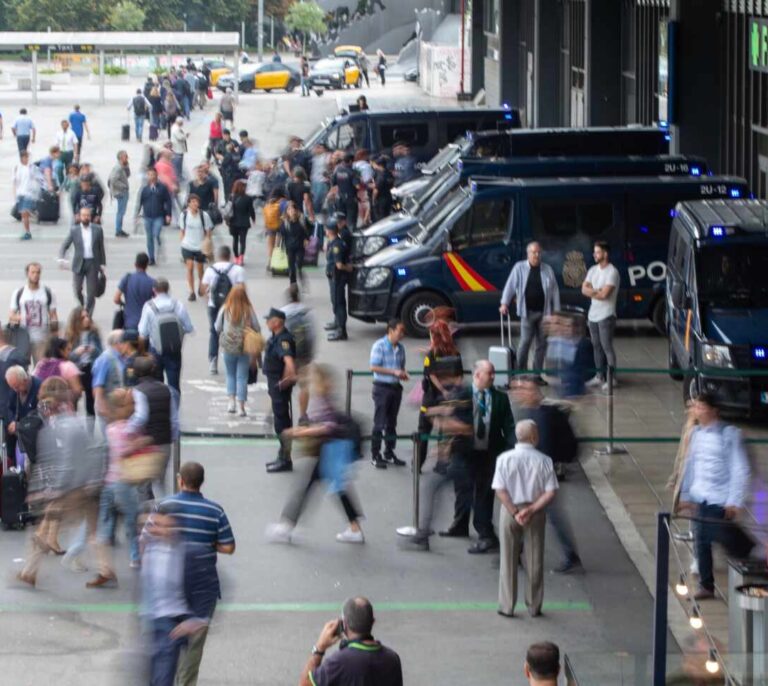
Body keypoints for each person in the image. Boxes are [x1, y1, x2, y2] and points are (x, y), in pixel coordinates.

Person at [154, 461, 236, 685]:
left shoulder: (165, 506)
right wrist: (210, 543)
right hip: (203, 588)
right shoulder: (215, 510)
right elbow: (229, 546)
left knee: (166, 640)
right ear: (201, 483)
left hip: (169, 585)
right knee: (193, 645)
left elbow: (149, 538)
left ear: (180, 480)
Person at [266, 364, 365, 544]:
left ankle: (287, 526)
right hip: (333, 448)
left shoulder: (323, 400)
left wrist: (296, 433)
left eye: (314, 379)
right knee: (332, 487)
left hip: (333, 448)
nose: (310, 382)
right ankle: (354, 528)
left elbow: (325, 427)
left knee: (314, 486)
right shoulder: (324, 398)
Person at [678, 392, 754, 601]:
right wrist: (686, 495)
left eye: (702, 407)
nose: (697, 411)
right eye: (696, 407)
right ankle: (706, 585)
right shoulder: (695, 434)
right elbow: (690, 465)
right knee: (701, 541)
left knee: (725, 536)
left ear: (714, 410)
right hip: (700, 495)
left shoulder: (730, 435)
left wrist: (734, 501)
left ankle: (751, 556)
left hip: (719, 498)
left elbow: (740, 469)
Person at [513, 379, 582, 573]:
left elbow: (545, 448)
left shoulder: (542, 416)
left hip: (539, 476)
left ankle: (569, 554)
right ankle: (518, 553)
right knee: (533, 513)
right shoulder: (530, 413)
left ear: (534, 394)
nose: (519, 394)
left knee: (537, 514)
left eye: (524, 390)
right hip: (535, 474)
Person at [494, 419, 559, 618]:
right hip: (535, 512)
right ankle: (533, 605)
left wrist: (515, 511)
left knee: (508, 558)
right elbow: (550, 492)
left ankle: (507, 605)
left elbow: (499, 489)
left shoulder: (504, 459)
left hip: (509, 511)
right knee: (535, 559)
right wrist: (530, 510)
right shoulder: (544, 460)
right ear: (533, 437)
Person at [458, 360, 517, 554]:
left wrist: (511, 450)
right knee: (466, 489)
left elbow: (509, 426)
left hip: (490, 453)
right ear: (477, 375)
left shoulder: (500, 398)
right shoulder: (463, 395)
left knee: (484, 493)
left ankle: (485, 533)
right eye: (489, 373)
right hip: (468, 452)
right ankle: (462, 524)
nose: (493, 376)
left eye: (493, 373)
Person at [85, 387, 141, 588]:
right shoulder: (129, 430)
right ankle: (136, 558)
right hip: (124, 483)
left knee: (104, 527)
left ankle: (105, 570)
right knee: (132, 523)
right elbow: (129, 453)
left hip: (108, 483)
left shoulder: (109, 429)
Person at [299, 597, 403, 686]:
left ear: (344, 625)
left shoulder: (339, 662)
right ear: (373, 622)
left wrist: (319, 648)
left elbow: (305, 684)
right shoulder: (393, 659)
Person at [500, 241, 561, 383]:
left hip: (544, 313)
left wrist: (556, 312)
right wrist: (504, 303)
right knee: (525, 342)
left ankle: (536, 375)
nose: (537, 255)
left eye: (539, 252)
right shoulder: (519, 268)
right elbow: (510, 285)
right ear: (528, 254)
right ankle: (521, 373)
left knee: (541, 345)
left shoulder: (547, 269)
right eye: (533, 252)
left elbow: (555, 292)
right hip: (527, 313)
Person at [416, 320, 463, 472]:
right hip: (448, 400)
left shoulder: (432, 354)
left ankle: (417, 464)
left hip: (430, 399)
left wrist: (442, 389)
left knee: (423, 432)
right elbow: (459, 376)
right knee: (444, 432)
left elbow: (430, 375)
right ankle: (441, 465)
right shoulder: (455, 352)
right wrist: (453, 391)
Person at [128, 355, 178, 498]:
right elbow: (174, 419)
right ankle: (165, 510)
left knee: (142, 485)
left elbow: (141, 417)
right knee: (160, 482)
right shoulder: (167, 390)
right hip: (164, 442)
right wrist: (171, 437)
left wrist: (126, 430)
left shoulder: (138, 391)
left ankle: (147, 516)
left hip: (146, 443)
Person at [138, 278, 194, 394]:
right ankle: (174, 409)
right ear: (168, 289)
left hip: (155, 351)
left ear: (154, 290)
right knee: (174, 385)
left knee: (156, 385)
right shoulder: (177, 305)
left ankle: (161, 409)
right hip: (174, 349)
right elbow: (188, 328)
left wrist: (142, 352)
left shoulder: (149, 306)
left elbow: (143, 333)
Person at [215, 284, 260, 417]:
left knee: (230, 374)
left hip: (228, 347)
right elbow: (256, 326)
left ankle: (231, 402)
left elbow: (217, 326)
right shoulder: (248, 310)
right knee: (242, 377)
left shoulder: (225, 308)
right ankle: (241, 407)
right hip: (244, 347)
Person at [201, 245, 245, 376]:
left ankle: (213, 362)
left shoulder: (210, 270)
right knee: (234, 331)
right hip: (233, 305)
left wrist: (207, 301)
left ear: (218, 255)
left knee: (214, 332)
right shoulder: (237, 270)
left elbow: (203, 289)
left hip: (214, 305)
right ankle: (234, 360)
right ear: (230, 256)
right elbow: (242, 290)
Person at [369, 319, 408, 469]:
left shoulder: (401, 348)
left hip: (395, 387)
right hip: (382, 388)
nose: (402, 334)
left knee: (392, 422)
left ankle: (389, 452)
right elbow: (374, 366)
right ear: (391, 330)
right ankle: (375, 454)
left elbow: (401, 367)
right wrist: (393, 372)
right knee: (380, 422)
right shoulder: (379, 346)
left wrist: (402, 374)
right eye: (400, 331)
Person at [581, 240, 620, 391]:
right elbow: (584, 290)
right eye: (594, 252)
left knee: (606, 347)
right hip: (593, 315)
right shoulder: (592, 270)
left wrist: (594, 291)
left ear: (605, 254)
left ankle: (612, 378)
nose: (594, 255)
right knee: (596, 346)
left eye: (597, 252)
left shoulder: (612, 272)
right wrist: (597, 291)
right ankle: (599, 376)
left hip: (606, 315)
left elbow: (605, 294)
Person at [264, 308, 297, 474]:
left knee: (282, 423)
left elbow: (289, 363)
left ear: (277, 322)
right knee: (281, 421)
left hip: (279, 387)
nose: (267, 322)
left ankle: (285, 459)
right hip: (276, 386)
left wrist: (286, 380)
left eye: (269, 320)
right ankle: (282, 456)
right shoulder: (276, 337)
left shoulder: (283, 340)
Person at [59, 207, 106, 316]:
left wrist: (103, 263)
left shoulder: (97, 229)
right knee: (77, 290)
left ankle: (88, 315)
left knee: (91, 293)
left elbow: (101, 248)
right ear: (79, 217)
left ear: (90, 217)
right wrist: (62, 258)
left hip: (93, 264)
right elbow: (65, 245)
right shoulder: (74, 230)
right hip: (79, 263)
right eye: (84, 215)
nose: (86, 217)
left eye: (88, 215)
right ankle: (82, 305)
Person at [9, 262, 57, 364]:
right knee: (22, 367)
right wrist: (22, 317)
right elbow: (11, 315)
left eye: (38, 272)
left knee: (41, 367)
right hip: (23, 337)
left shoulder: (48, 292)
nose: (35, 275)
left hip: (41, 338)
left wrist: (54, 334)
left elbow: (53, 314)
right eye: (33, 272)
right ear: (27, 274)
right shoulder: (19, 293)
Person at [65, 306, 102, 418]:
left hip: (91, 368)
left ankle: (90, 430)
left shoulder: (94, 333)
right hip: (76, 370)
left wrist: (93, 350)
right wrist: (77, 352)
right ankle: (74, 426)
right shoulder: (71, 335)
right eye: (83, 317)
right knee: (73, 399)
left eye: (87, 316)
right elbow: (66, 357)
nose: (87, 319)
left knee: (91, 402)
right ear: (76, 321)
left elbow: (101, 352)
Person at [4, 366, 41, 469]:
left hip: (34, 439)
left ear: (25, 380)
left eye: (17, 386)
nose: (15, 390)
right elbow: (9, 408)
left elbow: (38, 418)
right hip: (20, 436)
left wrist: (19, 425)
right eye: (13, 387)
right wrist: (12, 421)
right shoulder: (15, 388)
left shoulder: (38, 387)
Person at [179, 194, 213, 301]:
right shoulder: (184, 215)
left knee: (200, 270)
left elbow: (208, 231)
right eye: (192, 202)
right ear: (188, 203)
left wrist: (207, 243)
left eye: (196, 202)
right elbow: (182, 231)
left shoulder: (204, 215)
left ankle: (200, 287)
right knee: (189, 268)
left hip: (200, 246)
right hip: (187, 245)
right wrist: (182, 243)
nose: (195, 204)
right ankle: (191, 292)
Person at [136, 167, 173, 266]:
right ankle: (151, 258)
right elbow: (140, 202)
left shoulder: (162, 187)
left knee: (156, 234)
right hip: (147, 217)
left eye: (152, 174)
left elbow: (168, 201)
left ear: (156, 175)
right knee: (149, 238)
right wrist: (137, 214)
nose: (151, 177)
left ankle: (159, 245)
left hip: (159, 216)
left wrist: (168, 214)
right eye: (149, 175)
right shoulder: (144, 189)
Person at [114, 252, 156, 333]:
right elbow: (156, 301)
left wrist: (124, 304)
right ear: (147, 266)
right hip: (145, 324)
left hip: (129, 323)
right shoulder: (152, 282)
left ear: (135, 264)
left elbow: (116, 299)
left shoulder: (127, 278)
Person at [33, 337, 83, 404]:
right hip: (63, 409)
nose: (70, 352)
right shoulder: (69, 366)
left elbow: (34, 383)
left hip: (43, 407)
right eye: (68, 349)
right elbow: (77, 391)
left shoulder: (41, 364)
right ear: (61, 351)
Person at [325, 223, 353, 342]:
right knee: (335, 301)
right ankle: (337, 323)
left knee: (338, 303)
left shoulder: (337, 245)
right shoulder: (334, 243)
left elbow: (339, 265)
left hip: (337, 278)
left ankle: (342, 331)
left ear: (329, 231)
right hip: (334, 277)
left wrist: (349, 268)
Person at [280, 201, 311, 286]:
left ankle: (300, 273)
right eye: (289, 210)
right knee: (291, 267)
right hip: (289, 247)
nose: (291, 211)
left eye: (292, 209)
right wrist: (279, 246)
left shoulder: (302, 220)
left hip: (300, 246)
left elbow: (309, 230)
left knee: (299, 263)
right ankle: (293, 285)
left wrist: (307, 239)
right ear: (286, 212)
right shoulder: (285, 223)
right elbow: (282, 235)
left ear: (296, 211)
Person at [227, 179, 256, 266]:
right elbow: (251, 210)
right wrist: (253, 219)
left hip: (233, 222)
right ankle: (241, 258)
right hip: (244, 223)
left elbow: (228, 209)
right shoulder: (248, 198)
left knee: (235, 240)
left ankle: (236, 258)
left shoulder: (231, 197)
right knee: (243, 241)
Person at [13, 150, 40, 241]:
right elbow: (14, 182)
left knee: (24, 213)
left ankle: (28, 232)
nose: (26, 159)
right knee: (23, 214)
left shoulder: (31, 167)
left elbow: (38, 178)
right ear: (21, 158)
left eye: (27, 157)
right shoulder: (17, 167)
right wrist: (15, 194)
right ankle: (26, 231)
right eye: (24, 157)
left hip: (29, 193)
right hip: (20, 193)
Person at [331, 152, 360, 228]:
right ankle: (351, 234)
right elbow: (358, 186)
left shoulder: (337, 170)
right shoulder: (352, 172)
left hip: (340, 197)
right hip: (350, 198)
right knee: (351, 218)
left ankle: (342, 233)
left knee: (341, 217)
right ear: (350, 161)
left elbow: (333, 183)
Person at [108, 150, 131, 238]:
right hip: (121, 192)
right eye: (125, 156)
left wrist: (127, 166)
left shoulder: (122, 166)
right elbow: (113, 180)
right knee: (121, 212)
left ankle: (119, 229)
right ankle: (118, 230)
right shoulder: (118, 167)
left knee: (121, 211)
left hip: (121, 191)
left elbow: (128, 175)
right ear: (121, 157)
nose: (127, 158)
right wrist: (123, 186)